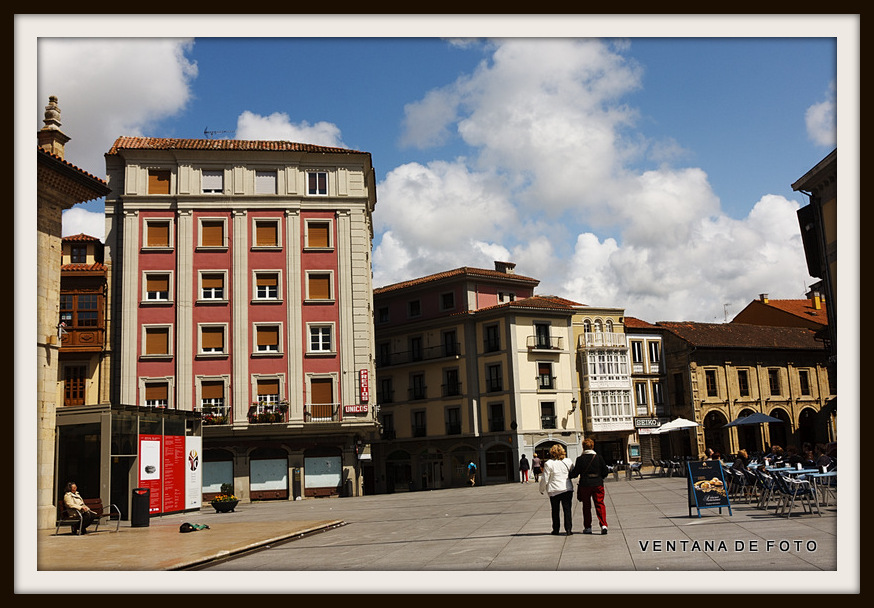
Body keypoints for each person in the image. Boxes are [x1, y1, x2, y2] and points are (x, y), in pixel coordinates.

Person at [569, 438, 610, 535]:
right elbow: (605, 472)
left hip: (585, 484)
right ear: (592, 446)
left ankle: (588, 527)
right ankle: (603, 524)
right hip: (597, 483)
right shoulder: (599, 457)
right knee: (600, 504)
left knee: (586, 506)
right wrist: (600, 478)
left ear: (583, 447)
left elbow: (575, 474)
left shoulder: (580, 459)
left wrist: (568, 474)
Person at [539, 444, 575, 536]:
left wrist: (541, 489)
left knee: (555, 510)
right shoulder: (568, 461)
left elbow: (545, 478)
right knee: (567, 509)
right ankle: (568, 529)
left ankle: (556, 529)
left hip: (554, 490)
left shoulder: (549, 463)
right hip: (567, 488)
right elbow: (573, 472)